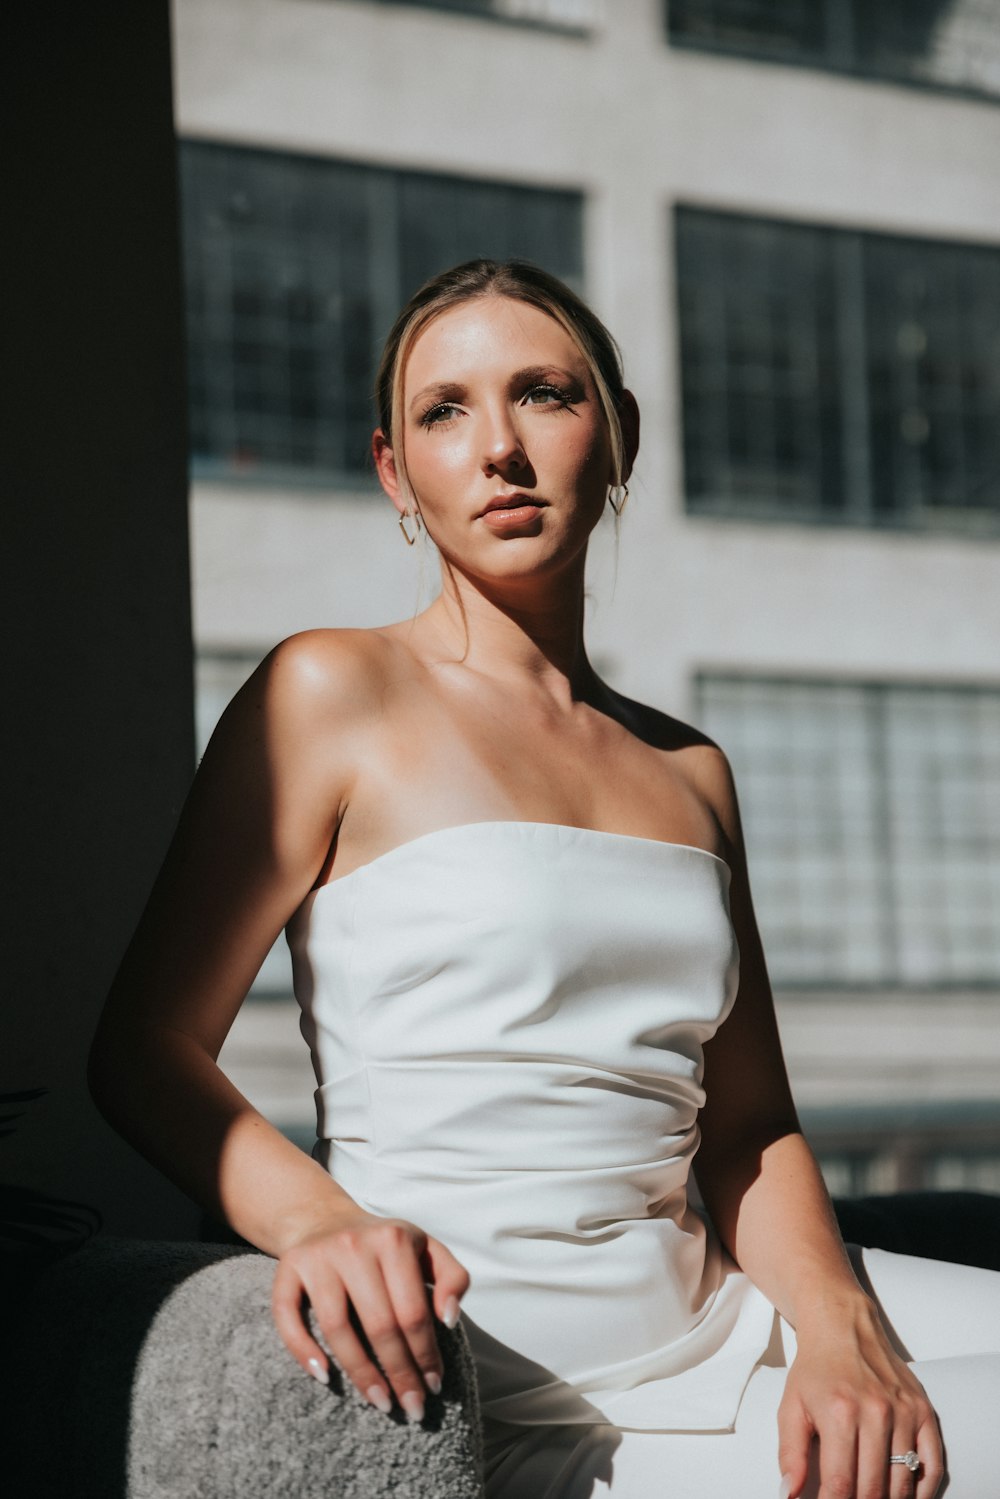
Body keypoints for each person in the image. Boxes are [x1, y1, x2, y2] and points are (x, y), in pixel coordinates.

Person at [90, 259, 1000, 1498]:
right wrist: (316, 1222)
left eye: (545, 395)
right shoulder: (327, 691)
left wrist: (842, 1332)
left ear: (616, 438)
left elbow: (748, 1124)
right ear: (391, 471)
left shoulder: (691, 768)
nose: (499, 447)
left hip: (727, 1311)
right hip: (517, 1370)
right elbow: (145, 1045)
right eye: (445, 411)